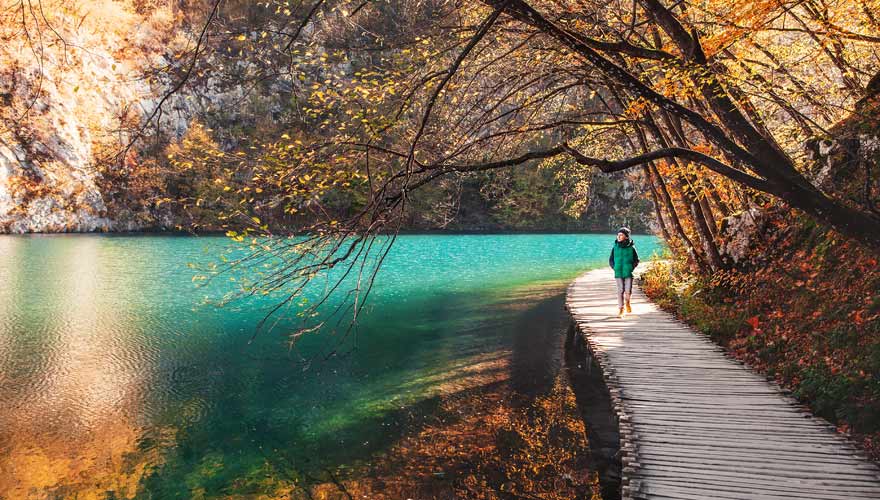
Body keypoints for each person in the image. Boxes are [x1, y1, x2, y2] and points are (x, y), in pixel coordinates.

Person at [609, 227, 639, 317]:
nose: (618, 236)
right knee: (620, 290)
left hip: (628, 273)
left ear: (626, 237)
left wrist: (631, 268)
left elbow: (636, 260)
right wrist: (614, 267)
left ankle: (628, 302)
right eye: (618, 235)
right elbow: (610, 259)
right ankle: (621, 309)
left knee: (628, 291)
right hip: (618, 272)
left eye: (621, 235)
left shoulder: (631, 248)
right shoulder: (615, 247)